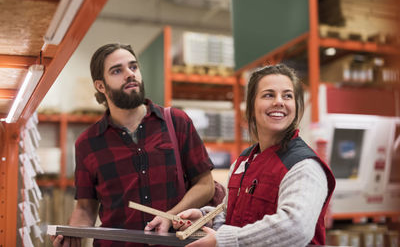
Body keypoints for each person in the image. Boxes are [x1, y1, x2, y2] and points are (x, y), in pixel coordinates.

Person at [51, 43, 215, 247]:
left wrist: (170, 216)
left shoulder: (176, 122)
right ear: (101, 86)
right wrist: (71, 234)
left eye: (133, 67)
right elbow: (85, 208)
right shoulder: (88, 144)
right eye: (117, 70)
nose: (130, 74)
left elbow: (205, 185)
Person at [173, 64, 336, 247]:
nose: (279, 101)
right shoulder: (242, 162)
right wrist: (205, 218)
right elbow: (231, 213)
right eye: (269, 95)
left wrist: (224, 240)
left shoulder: (304, 166)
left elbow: (295, 228)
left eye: (287, 95)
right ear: (251, 106)